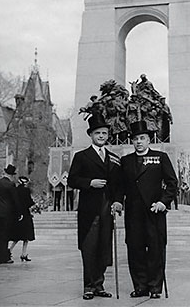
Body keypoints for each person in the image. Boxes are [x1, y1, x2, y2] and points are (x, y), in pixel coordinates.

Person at [117, 120, 178, 299]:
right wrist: (118, 201)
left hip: (154, 212)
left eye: (142, 138)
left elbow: (172, 184)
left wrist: (163, 202)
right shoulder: (125, 161)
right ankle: (140, 286)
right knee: (135, 250)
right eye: (135, 139)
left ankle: (155, 287)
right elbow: (120, 186)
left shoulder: (160, 157)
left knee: (156, 249)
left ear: (149, 139)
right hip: (134, 214)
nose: (138, 142)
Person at [67, 113, 123, 300]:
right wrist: (89, 182)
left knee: (103, 247)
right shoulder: (82, 156)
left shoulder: (114, 158)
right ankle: (89, 286)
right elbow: (72, 180)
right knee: (89, 247)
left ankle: (99, 285)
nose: (101, 136)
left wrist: (118, 201)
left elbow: (118, 184)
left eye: (104, 133)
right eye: (98, 133)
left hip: (107, 208)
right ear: (91, 134)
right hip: (89, 210)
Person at [0, 164, 22, 264]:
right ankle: (3, 257)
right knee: (4, 235)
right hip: (7, 213)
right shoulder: (10, 185)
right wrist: (19, 213)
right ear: (12, 175)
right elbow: (15, 200)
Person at [9, 176, 35, 262]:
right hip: (25, 214)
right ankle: (23, 254)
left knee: (17, 236)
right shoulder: (26, 191)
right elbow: (29, 202)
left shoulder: (15, 190)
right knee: (26, 236)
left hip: (16, 215)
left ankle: (9, 251)